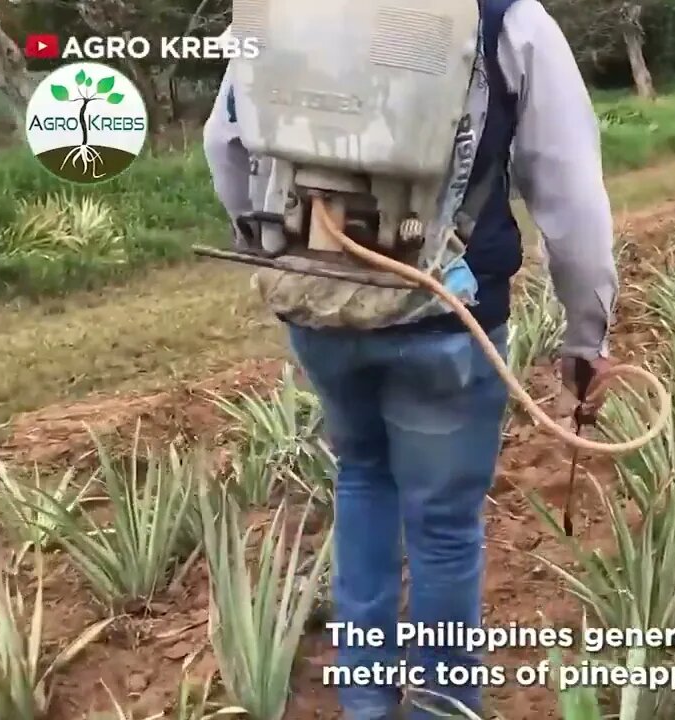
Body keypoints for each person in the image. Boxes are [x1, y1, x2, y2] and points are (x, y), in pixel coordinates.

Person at [202, 1, 618, 718]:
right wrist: (587, 335)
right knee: (444, 531)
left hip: (321, 313)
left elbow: (224, 143)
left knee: (361, 480)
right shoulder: (508, 20)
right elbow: (570, 195)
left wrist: (279, 247)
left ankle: (365, 702)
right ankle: (439, 708)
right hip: (448, 321)